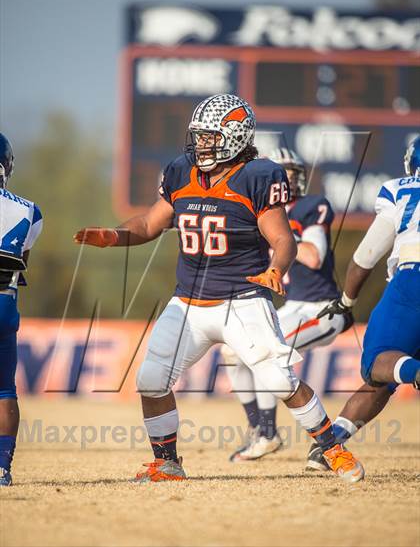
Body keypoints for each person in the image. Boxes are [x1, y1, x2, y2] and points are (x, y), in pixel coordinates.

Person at [74, 93, 364, 483]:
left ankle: (332, 449)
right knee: (151, 379)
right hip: (188, 302)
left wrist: (276, 268)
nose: (201, 144)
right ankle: (167, 462)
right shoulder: (180, 171)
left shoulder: (258, 175)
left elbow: (283, 240)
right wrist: (113, 235)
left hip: (242, 299)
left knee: (279, 379)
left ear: (236, 135)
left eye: (210, 137)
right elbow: (148, 224)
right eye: (199, 136)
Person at [224, 147, 354, 462]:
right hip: (293, 307)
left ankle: (269, 433)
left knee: (264, 353)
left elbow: (313, 256)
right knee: (232, 351)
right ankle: (260, 429)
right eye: (281, 174)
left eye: (292, 173)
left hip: (322, 309)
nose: (288, 181)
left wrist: (279, 238)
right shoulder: (259, 213)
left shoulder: (309, 207)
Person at [305, 135, 420, 472]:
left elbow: (365, 257)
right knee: (382, 381)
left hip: (414, 277)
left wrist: (345, 301)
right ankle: (331, 442)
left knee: (377, 362)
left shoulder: (401, 189)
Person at [0, 133, 43, 486]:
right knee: (4, 391)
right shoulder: (30, 210)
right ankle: (2, 468)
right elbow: (19, 258)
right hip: (4, 304)